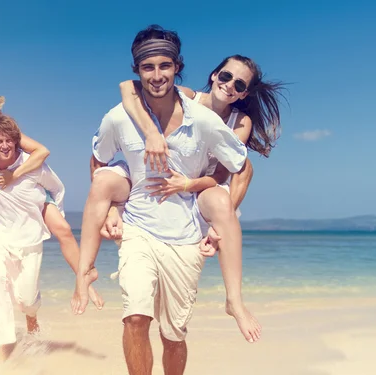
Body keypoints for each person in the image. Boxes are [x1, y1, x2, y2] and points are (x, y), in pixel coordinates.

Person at [72, 25, 251, 374]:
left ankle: (235, 301)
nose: (157, 75)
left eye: (164, 66)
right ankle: (84, 270)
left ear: (177, 67)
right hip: (138, 229)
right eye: (148, 67)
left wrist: (220, 215)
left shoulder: (206, 120)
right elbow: (98, 160)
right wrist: (111, 205)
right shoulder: (118, 117)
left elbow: (241, 167)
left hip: (185, 236)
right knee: (136, 317)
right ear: (137, 71)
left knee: (173, 336)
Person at [109, 53, 285, 342]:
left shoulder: (241, 122)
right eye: (226, 76)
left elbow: (219, 174)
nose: (229, 86)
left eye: (239, 85)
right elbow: (128, 87)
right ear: (215, 75)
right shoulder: (188, 97)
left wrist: (188, 184)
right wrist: (152, 133)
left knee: (241, 173)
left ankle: (234, 301)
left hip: (202, 186)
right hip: (168, 179)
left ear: (244, 93)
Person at [0, 92, 103, 319]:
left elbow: (42, 152)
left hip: (26, 188)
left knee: (63, 229)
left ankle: (85, 281)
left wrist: (14, 174)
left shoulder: (7, 134)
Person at [0, 113, 66, 360]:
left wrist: (53, 213)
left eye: (10, 140)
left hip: (29, 239)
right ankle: (4, 353)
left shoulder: (32, 164)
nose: (5, 145)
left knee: (27, 300)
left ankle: (31, 317)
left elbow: (57, 188)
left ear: (17, 142)